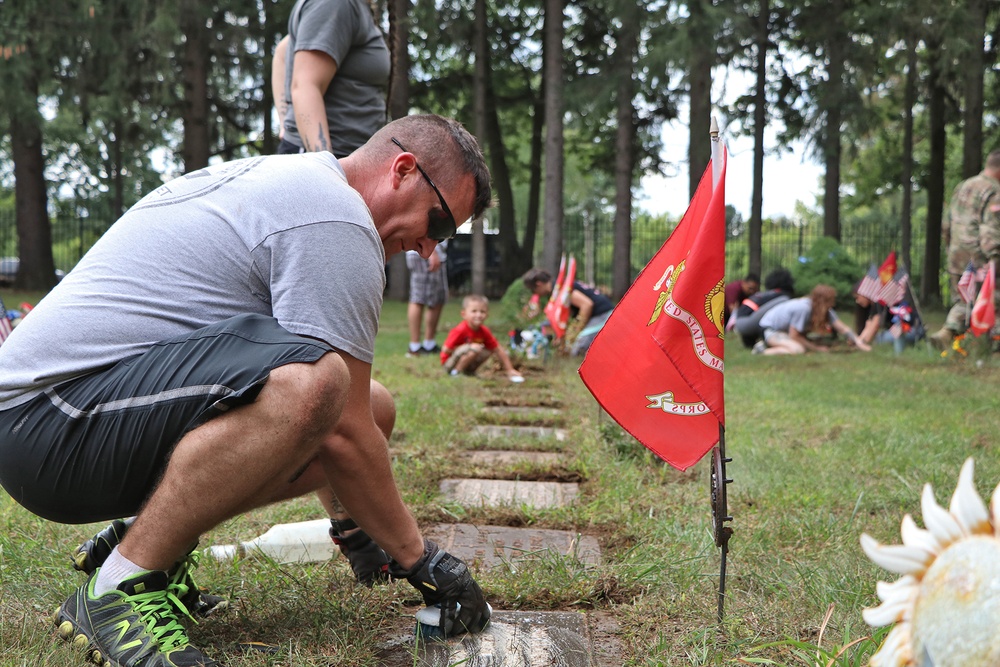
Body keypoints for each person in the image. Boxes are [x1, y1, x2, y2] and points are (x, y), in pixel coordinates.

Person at [0, 114, 493, 667]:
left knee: (369, 403)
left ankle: (144, 540)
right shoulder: (339, 219)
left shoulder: (307, 185)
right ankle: (117, 590)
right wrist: (424, 563)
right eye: (441, 223)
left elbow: (353, 418)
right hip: (46, 422)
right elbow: (342, 426)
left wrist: (357, 535)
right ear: (403, 169)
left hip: (64, 418)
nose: (430, 250)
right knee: (316, 383)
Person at [272, 0, 390, 156]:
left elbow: (283, 50)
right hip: (328, 158)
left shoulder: (349, 6)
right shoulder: (335, 3)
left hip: (346, 159)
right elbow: (305, 86)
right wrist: (326, 170)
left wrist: (285, 122)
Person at [930, 149, 1000, 349]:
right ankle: (992, 345)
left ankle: (947, 332)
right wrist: (994, 258)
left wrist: (951, 249)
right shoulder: (994, 191)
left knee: (963, 299)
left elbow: (947, 223)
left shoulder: (963, 186)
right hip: (980, 255)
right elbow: (991, 230)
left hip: (957, 253)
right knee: (992, 298)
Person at [755, 284, 872, 355]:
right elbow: (794, 335)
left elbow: (843, 328)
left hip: (784, 332)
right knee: (798, 350)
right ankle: (762, 351)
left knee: (811, 343)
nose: (833, 303)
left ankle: (775, 346)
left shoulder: (826, 311)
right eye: (831, 300)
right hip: (770, 330)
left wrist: (859, 343)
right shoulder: (803, 308)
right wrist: (817, 349)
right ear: (823, 301)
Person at [521, 268, 614, 356]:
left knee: (578, 350)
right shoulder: (557, 289)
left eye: (533, 290)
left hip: (603, 315)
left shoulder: (562, 288)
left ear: (539, 284)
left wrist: (576, 330)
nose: (535, 294)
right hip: (596, 317)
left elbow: (586, 305)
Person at [441, 294, 524, 382]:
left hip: (467, 355)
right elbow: (445, 349)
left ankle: (469, 371)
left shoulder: (484, 331)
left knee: (487, 350)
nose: (478, 315)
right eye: (474, 311)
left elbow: (498, 349)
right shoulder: (460, 330)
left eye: (482, 312)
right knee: (474, 349)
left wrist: (509, 369)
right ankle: (455, 372)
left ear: (487, 314)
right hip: (449, 362)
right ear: (464, 314)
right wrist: (468, 347)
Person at [732, 267, 795, 348]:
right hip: (747, 322)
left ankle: (751, 342)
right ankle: (770, 339)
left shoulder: (769, 293)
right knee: (784, 301)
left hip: (740, 321)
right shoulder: (782, 295)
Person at [406, 243, 448, 357]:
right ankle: (415, 347)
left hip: (430, 252)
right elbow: (428, 225)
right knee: (419, 298)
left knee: (437, 298)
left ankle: (428, 344)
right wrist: (432, 251)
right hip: (426, 252)